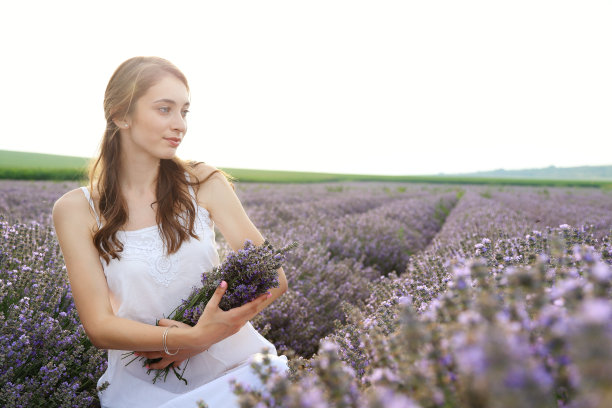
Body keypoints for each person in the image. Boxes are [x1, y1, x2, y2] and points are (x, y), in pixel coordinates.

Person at [52, 56, 288, 408]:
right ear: (120, 115)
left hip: (235, 370)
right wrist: (179, 339)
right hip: (141, 386)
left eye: (184, 111)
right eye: (165, 109)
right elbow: (98, 326)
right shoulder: (75, 210)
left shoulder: (205, 182)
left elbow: (274, 277)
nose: (179, 124)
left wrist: (201, 339)